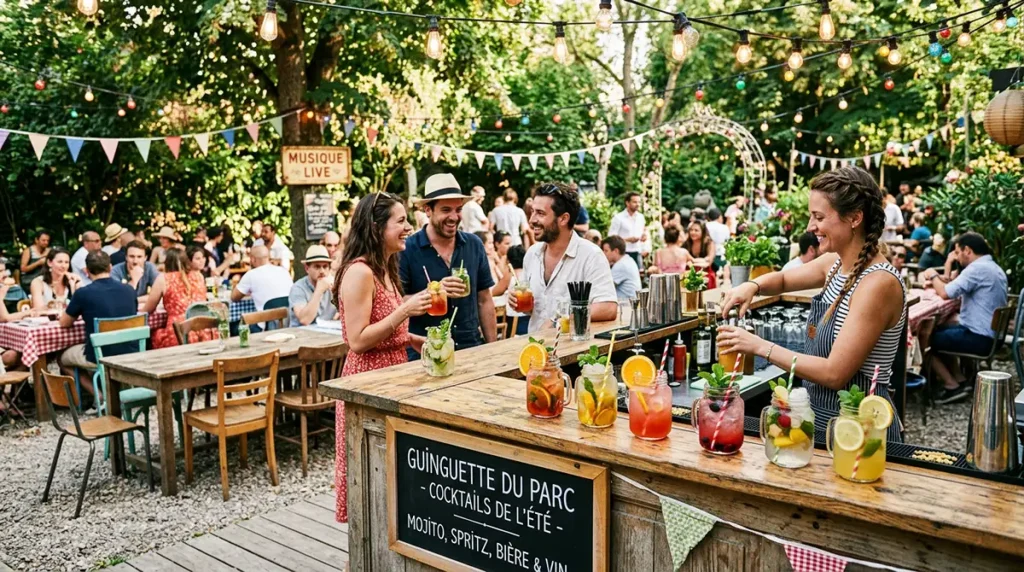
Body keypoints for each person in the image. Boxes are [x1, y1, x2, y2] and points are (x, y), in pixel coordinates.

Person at [718, 166, 906, 443]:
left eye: (819, 217)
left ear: (855, 218)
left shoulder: (877, 283)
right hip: (820, 420)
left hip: (860, 429)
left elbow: (834, 373)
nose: (809, 227)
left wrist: (759, 346)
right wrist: (752, 286)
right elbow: (783, 280)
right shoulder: (836, 264)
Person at [335, 191, 433, 523]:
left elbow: (384, 328)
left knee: (391, 478)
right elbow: (358, 340)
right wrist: (405, 310)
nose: (409, 227)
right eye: (400, 221)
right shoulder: (360, 272)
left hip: (392, 376)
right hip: (366, 382)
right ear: (377, 228)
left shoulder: (386, 268)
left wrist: (412, 338)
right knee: (371, 479)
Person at [400, 174, 497, 355]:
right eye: (446, 210)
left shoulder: (474, 244)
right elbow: (398, 304)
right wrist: (433, 292)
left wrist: (492, 349)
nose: (454, 217)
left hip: (471, 348)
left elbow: (484, 300)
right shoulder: (407, 249)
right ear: (428, 210)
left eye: (458, 209)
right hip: (426, 352)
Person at [509, 183, 617, 334]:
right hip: (535, 347)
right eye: (532, 212)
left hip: (572, 347)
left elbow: (608, 307)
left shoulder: (591, 255)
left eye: (540, 213)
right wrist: (520, 302)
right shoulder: (531, 254)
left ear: (564, 219)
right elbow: (537, 309)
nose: (532, 220)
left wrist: (560, 320)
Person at [920, 232, 1008, 403]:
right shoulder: (992, 267)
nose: (957, 257)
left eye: (958, 252)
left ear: (967, 250)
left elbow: (945, 293)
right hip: (991, 336)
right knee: (942, 329)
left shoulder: (977, 269)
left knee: (925, 337)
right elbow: (952, 285)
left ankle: (951, 385)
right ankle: (960, 379)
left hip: (980, 338)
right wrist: (947, 266)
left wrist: (932, 274)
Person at [59, 251, 139, 387]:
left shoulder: (83, 293)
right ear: (110, 267)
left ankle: (98, 394)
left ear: (87, 271)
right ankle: (108, 389)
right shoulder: (129, 290)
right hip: (130, 351)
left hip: (100, 354)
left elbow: (64, 323)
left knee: (62, 358)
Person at [144, 248, 216, 348]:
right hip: (204, 329)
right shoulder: (198, 275)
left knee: (154, 335)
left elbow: (149, 309)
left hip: (179, 332)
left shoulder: (164, 278)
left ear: (167, 263)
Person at [289, 245, 339, 327]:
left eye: (325, 266)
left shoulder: (332, 284)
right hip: (301, 333)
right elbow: (305, 320)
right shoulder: (298, 288)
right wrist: (319, 291)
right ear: (307, 268)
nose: (322, 271)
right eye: (317, 267)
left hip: (326, 331)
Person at [232, 245, 293, 311]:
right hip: (290, 314)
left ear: (253, 259)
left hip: (267, 316)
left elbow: (234, 297)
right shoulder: (283, 271)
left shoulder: (251, 275)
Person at [608, 191, 647, 268]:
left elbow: (643, 232)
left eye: (639, 202)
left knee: (639, 273)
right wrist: (627, 240)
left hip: (638, 252)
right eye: (635, 202)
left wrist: (644, 237)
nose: (638, 204)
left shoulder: (641, 217)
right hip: (624, 252)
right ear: (627, 203)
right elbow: (611, 237)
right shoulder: (618, 218)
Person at [601, 236, 642, 300]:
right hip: (632, 300)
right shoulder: (628, 259)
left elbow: (604, 288)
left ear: (616, 251)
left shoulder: (620, 265)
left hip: (626, 303)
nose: (603, 254)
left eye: (606, 251)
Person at [477, 231, 513, 297]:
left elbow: (501, 277)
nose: (492, 246)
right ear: (481, 245)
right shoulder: (484, 261)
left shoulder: (492, 259)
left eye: (492, 243)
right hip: (491, 295)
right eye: (490, 243)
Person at [681, 220, 716, 287]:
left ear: (703, 232)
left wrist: (693, 261)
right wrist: (702, 261)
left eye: (696, 230)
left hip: (705, 273)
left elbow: (709, 260)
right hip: (689, 274)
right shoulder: (687, 243)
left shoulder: (709, 242)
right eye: (691, 230)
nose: (693, 232)